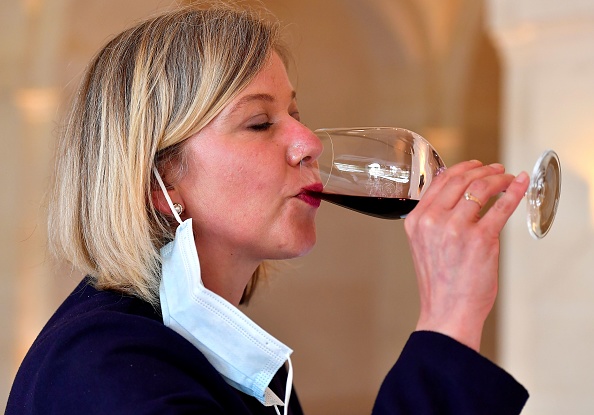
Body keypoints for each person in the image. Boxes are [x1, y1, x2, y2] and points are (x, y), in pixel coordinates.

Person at [6, 2, 529, 414]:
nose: (309, 142)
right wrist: (448, 318)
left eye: (295, 112)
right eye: (260, 123)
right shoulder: (104, 367)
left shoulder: (227, 357)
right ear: (158, 178)